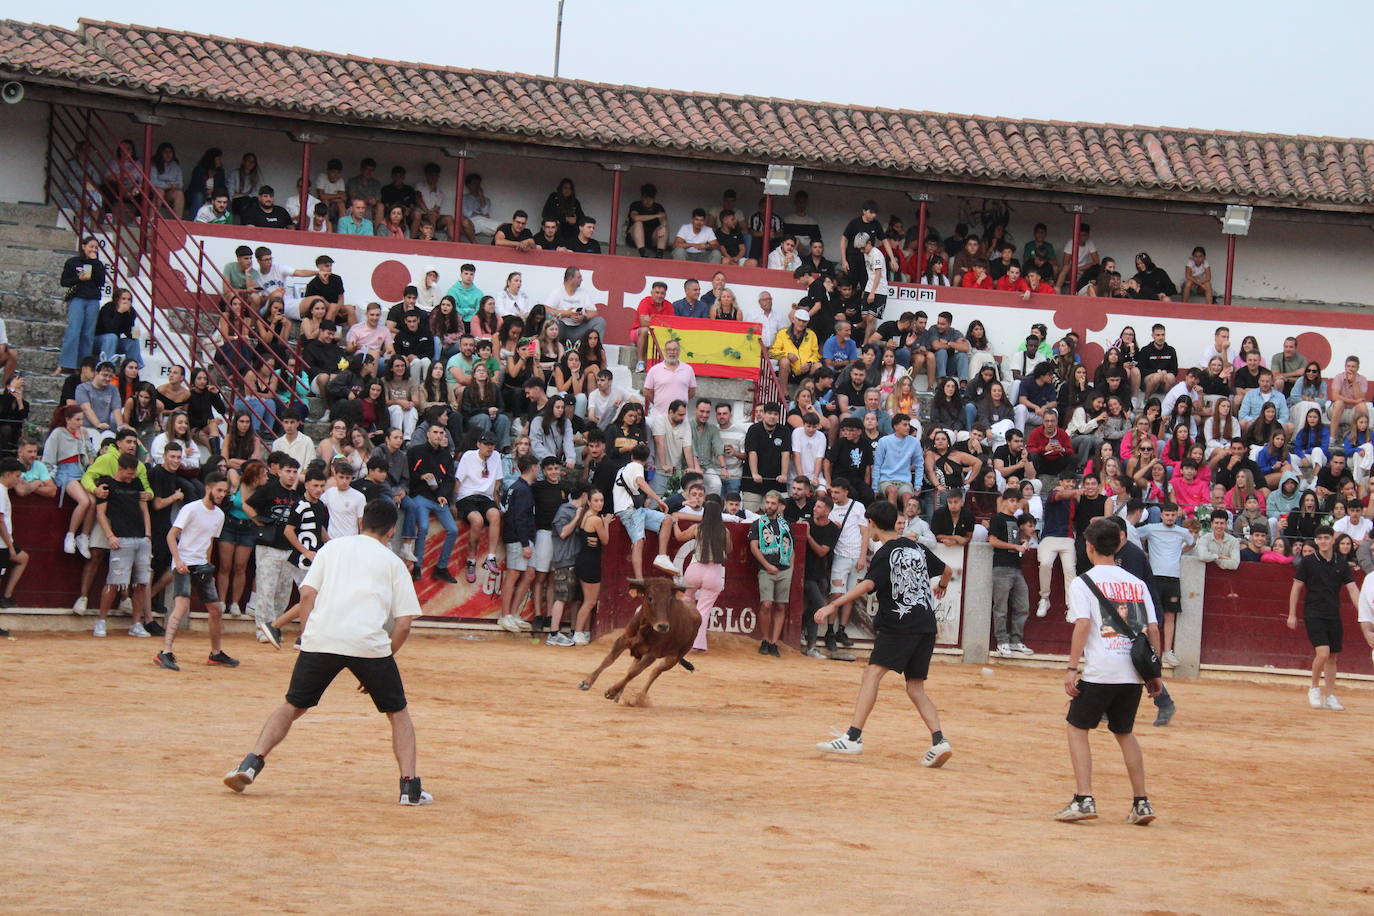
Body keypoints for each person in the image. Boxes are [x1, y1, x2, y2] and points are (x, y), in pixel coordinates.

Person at [221, 499, 433, 807]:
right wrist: (385, 656)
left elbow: (307, 594)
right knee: (398, 714)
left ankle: (251, 763)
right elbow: (404, 624)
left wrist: (307, 636)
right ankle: (410, 788)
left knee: (293, 706)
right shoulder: (392, 563)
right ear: (391, 532)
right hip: (368, 645)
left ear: (362, 523)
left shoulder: (331, 549)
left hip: (322, 639)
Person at [814, 499, 954, 765]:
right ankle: (939, 741)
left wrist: (833, 604)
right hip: (926, 623)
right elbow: (946, 570)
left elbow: (867, 585)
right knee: (915, 687)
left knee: (872, 673)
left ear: (873, 524)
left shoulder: (886, 552)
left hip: (900, 624)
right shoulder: (916, 548)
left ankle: (853, 737)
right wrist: (942, 586)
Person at [1056, 517, 1163, 825]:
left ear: (1089, 547)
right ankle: (1141, 801)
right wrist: (1155, 674)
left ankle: (1084, 798)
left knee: (1077, 729)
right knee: (1124, 732)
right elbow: (1152, 629)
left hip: (1101, 669)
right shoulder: (1137, 583)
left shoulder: (1083, 582)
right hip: (1132, 671)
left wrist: (1071, 667)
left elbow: (1083, 625)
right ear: (1118, 545)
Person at [154, 473, 237, 670]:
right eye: (219, 490)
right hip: (184, 563)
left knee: (215, 609)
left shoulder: (219, 515)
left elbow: (209, 542)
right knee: (181, 606)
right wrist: (178, 560)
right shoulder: (191, 508)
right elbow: (171, 536)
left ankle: (216, 654)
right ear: (208, 488)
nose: (222, 494)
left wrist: (208, 566)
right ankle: (165, 652)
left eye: (224, 491)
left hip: (200, 565)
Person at [1288, 525, 1359, 711]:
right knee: (1323, 653)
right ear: (1317, 540)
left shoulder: (1341, 563)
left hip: (1333, 614)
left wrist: (1363, 612)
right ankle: (1313, 688)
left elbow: (1352, 588)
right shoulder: (1309, 562)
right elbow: (1296, 588)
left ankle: (1329, 695)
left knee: (1333, 657)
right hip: (1313, 613)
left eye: (1326, 538)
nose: (1323, 541)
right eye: (1320, 538)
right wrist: (1292, 614)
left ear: (1332, 540)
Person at [244, 454, 302, 638]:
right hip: (268, 546)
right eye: (288, 471)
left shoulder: (297, 495)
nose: (292, 475)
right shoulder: (268, 489)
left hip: (288, 548)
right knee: (266, 589)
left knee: (283, 592)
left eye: (294, 472)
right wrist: (259, 522)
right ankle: (262, 629)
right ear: (280, 471)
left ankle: (274, 626)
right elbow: (248, 504)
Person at [1137, 502, 1195, 666]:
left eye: (1172, 515)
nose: (1170, 518)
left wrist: (1179, 552)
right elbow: (1133, 536)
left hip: (1173, 577)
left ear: (1177, 516)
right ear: (1161, 515)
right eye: (1167, 515)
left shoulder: (1182, 531)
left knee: (1170, 615)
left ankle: (1167, 651)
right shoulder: (1151, 528)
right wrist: (1144, 554)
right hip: (1154, 576)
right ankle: (1149, 650)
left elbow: (1192, 542)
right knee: (1151, 614)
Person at [680, 496, 731, 653]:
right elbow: (729, 550)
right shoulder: (725, 531)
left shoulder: (697, 528)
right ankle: (697, 644)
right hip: (713, 572)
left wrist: (674, 524)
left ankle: (679, 640)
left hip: (695, 569)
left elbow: (679, 537)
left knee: (685, 602)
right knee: (703, 610)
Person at [453, 433, 504, 584]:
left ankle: (491, 557)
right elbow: (458, 480)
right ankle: (471, 560)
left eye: (492, 444)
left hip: (485, 497)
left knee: (495, 515)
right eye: (487, 444)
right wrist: (453, 502)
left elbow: (498, 483)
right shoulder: (468, 456)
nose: (490, 447)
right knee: (477, 520)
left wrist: (498, 503)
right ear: (479, 444)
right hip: (466, 495)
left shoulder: (496, 456)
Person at [748, 491, 794, 658]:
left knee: (781, 605)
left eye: (773, 503)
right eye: (767, 502)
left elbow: (791, 548)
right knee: (767, 604)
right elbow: (754, 547)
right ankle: (765, 639)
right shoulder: (758, 523)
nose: (769, 506)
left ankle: (774, 642)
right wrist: (767, 565)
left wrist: (791, 569)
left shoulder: (786, 525)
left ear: (780, 505)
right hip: (766, 569)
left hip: (784, 569)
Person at [987, 489, 1033, 657]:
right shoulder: (997, 518)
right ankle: (1002, 641)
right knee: (1001, 607)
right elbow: (992, 541)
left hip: (1015, 567)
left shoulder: (1013, 520)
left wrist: (1020, 541)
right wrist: (1015, 546)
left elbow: (1012, 539)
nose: (1015, 504)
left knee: (1022, 606)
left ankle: (1015, 641)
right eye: (1012, 501)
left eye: (1017, 501)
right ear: (1004, 501)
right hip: (1002, 567)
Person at [498, 453, 538, 634]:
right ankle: (505, 615)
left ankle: (513, 613)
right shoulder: (522, 489)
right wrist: (525, 544)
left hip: (519, 536)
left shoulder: (517, 487)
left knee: (529, 573)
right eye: (537, 467)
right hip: (518, 538)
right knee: (513, 574)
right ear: (533, 468)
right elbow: (519, 518)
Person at [58, 237, 107, 375]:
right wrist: (78, 278)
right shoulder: (73, 262)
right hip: (78, 298)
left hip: (92, 300)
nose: (93, 250)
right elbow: (64, 282)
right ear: (84, 246)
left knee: (88, 334)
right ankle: (66, 363)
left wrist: (94, 262)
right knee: (73, 331)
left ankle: (83, 366)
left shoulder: (98, 264)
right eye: (91, 246)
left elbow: (100, 282)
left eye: (96, 248)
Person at [0, 458, 29, 613]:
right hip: (2, 544)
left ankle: (6, 596)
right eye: (17, 476)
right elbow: (0, 521)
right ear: (8, 474)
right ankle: (6, 596)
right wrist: (10, 546)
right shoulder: (0, 491)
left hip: (4, 543)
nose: (18, 480)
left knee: (23, 557)